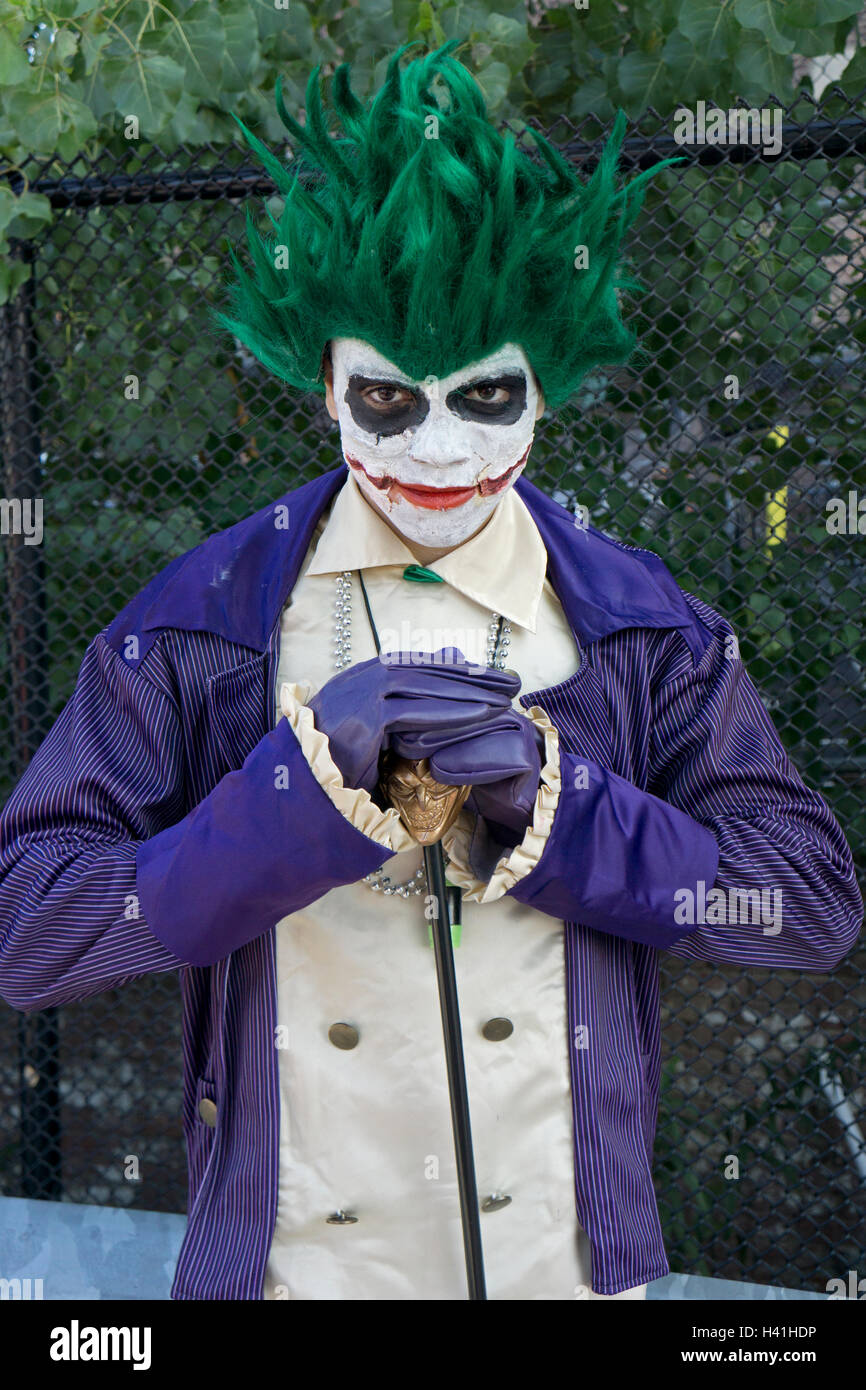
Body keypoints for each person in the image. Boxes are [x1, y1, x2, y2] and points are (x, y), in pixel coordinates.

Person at [0, 41, 861, 1302]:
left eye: (487, 395)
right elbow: (29, 930)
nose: (443, 451)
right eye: (392, 401)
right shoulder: (193, 625)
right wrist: (284, 806)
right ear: (328, 390)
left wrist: (571, 817)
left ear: (544, 387)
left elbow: (805, 903)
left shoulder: (642, 629)